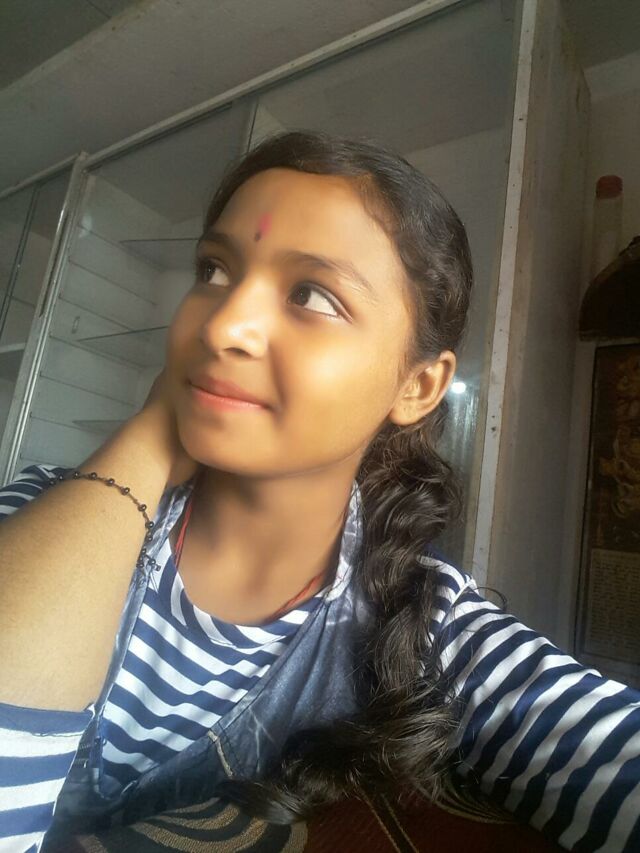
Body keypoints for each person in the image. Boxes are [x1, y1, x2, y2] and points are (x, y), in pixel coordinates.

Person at [0, 130, 638, 853]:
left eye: (312, 294)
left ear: (417, 385)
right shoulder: (43, 512)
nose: (224, 325)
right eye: (214, 270)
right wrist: (147, 437)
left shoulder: (425, 630)